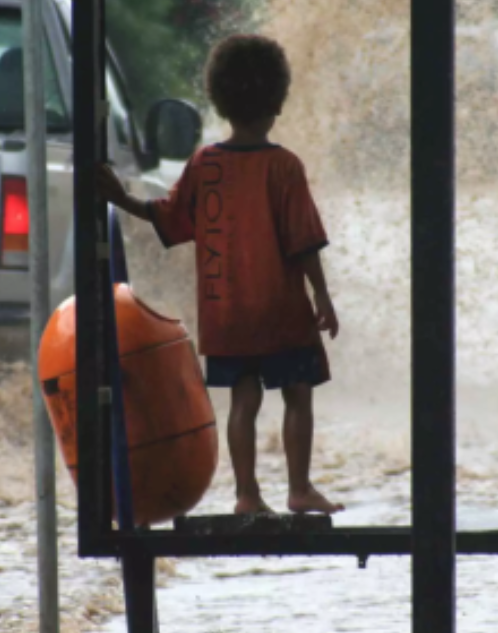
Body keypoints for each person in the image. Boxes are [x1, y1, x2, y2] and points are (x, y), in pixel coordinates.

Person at [98, 34, 344, 516]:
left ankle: (247, 496)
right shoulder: (284, 166)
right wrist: (323, 296)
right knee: (297, 393)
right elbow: (304, 241)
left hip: (225, 310)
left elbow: (167, 214)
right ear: (278, 100)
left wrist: (119, 198)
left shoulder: (204, 164)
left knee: (243, 400)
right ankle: (299, 489)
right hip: (279, 309)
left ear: (220, 99)